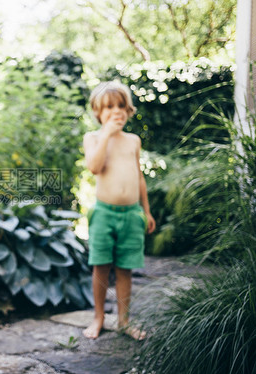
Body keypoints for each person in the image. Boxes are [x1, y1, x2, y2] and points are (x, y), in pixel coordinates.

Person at [82, 81, 155, 340]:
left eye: (121, 106)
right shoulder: (93, 138)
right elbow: (94, 167)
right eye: (109, 107)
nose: (117, 112)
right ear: (98, 113)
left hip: (131, 214)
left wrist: (146, 211)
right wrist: (105, 135)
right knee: (101, 266)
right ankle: (99, 317)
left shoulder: (133, 140)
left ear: (129, 110)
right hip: (104, 214)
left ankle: (123, 321)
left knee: (125, 269)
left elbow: (140, 178)